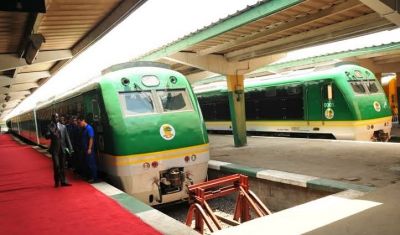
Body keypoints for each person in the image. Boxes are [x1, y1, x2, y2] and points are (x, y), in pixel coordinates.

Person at [46, 113, 74, 187]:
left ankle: (63, 181)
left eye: (57, 117)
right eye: (54, 117)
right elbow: (47, 136)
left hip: (62, 149)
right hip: (55, 150)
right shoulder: (49, 127)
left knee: (63, 166)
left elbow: (67, 138)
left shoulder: (63, 127)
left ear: (58, 118)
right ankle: (57, 181)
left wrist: (70, 148)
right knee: (56, 166)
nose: (56, 118)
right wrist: (50, 133)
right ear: (52, 119)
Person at [77, 115, 98, 183]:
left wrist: (89, 148)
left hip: (89, 150)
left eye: (79, 123)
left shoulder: (89, 128)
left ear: (83, 121)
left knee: (91, 163)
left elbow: (91, 139)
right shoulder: (83, 129)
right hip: (84, 149)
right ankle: (89, 176)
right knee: (87, 163)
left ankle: (94, 177)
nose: (79, 124)